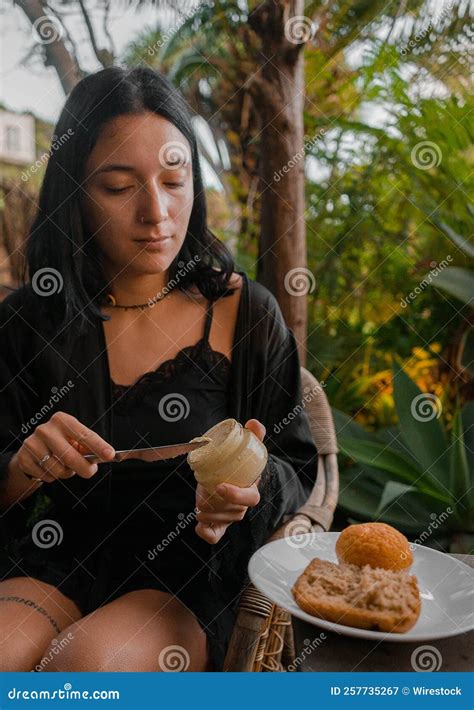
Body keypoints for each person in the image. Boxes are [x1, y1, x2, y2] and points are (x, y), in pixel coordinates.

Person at [0, 66, 318, 672]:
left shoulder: (245, 314)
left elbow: (298, 463)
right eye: (119, 187)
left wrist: (250, 486)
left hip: (189, 573)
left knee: (85, 670)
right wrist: (22, 467)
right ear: (74, 192)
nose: (156, 212)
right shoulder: (29, 321)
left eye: (175, 180)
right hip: (62, 554)